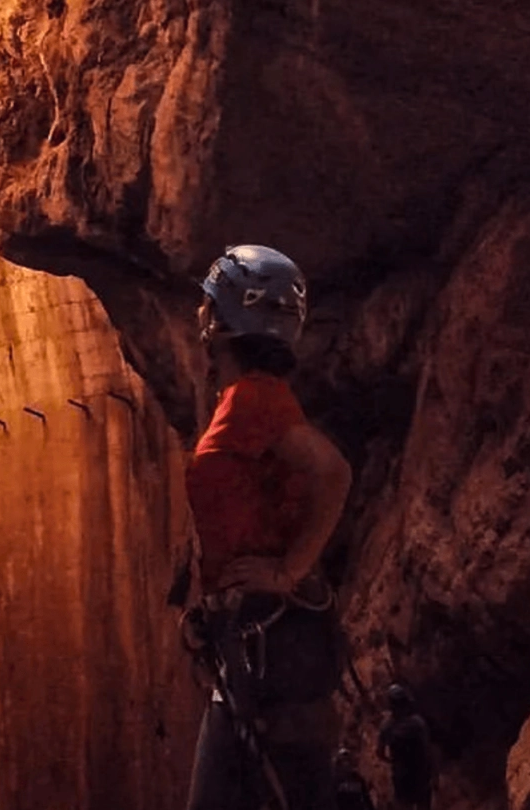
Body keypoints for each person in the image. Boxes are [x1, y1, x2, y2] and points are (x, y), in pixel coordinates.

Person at [181, 245, 354, 810]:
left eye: (208, 304)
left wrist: (285, 571)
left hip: (268, 643)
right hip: (260, 640)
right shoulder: (252, 397)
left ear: (221, 318)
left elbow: (332, 472)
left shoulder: (252, 399)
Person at [377, 684, 435, 810]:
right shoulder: (418, 722)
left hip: (402, 779)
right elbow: (427, 748)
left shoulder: (387, 726)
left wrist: (392, 761)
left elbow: (380, 753)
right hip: (421, 775)